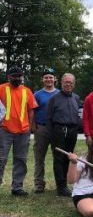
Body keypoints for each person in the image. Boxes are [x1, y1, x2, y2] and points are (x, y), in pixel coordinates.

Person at [0, 66, 38, 195]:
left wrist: (30, 126)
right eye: (14, 76)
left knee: (21, 160)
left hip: (23, 131)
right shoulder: (1, 89)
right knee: (1, 159)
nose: (17, 78)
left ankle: (17, 188)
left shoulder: (27, 91)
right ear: (8, 77)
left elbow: (31, 110)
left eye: (19, 76)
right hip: (4, 130)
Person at [46, 73, 80, 196]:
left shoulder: (76, 98)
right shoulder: (54, 98)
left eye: (70, 82)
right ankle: (60, 187)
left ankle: (65, 183)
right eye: (66, 82)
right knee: (59, 158)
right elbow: (48, 118)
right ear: (61, 83)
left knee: (69, 157)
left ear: (73, 84)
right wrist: (51, 134)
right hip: (59, 130)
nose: (68, 84)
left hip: (72, 131)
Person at [32, 68, 59, 193]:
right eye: (46, 77)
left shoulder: (59, 94)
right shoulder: (37, 94)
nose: (48, 79)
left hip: (56, 129)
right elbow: (32, 111)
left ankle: (60, 184)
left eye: (50, 77)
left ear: (55, 79)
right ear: (42, 80)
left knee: (58, 157)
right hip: (41, 128)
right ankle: (39, 184)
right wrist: (33, 126)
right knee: (39, 157)